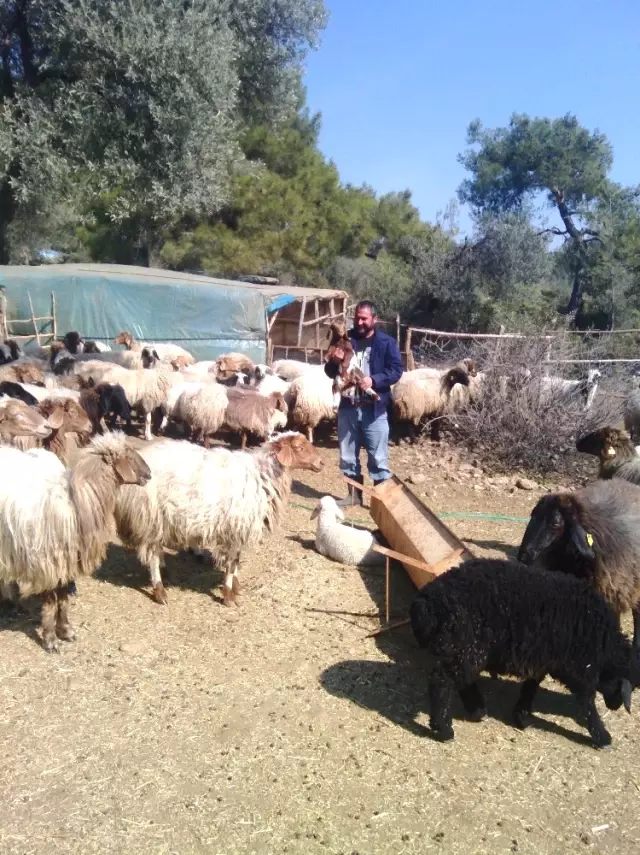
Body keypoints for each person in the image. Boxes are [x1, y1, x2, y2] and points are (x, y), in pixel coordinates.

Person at [324, 300, 404, 506]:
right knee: (348, 456)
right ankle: (354, 496)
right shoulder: (345, 339)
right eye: (357, 317)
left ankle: (381, 502)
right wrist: (334, 361)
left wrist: (374, 380)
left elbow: (396, 370)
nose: (359, 322)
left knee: (378, 458)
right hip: (349, 406)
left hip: (374, 409)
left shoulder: (386, 343)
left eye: (364, 318)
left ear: (374, 319)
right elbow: (329, 372)